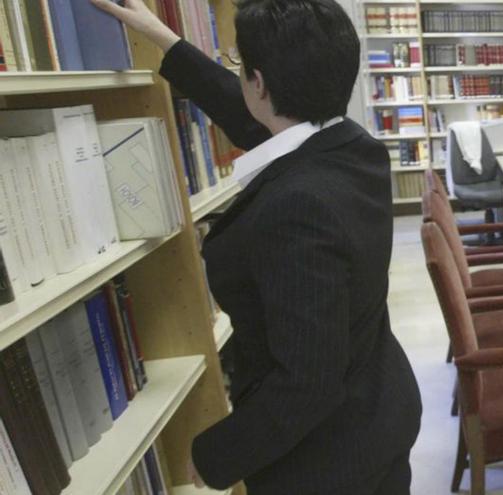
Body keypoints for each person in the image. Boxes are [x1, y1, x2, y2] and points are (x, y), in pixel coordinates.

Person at [90, 0, 422, 493]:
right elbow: (258, 120)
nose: (238, 78)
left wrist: (218, 455)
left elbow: (307, 383)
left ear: (260, 84)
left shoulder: (296, 208)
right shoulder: (354, 147)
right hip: (375, 411)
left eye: (240, 67)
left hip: (327, 457)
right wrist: (164, 38)